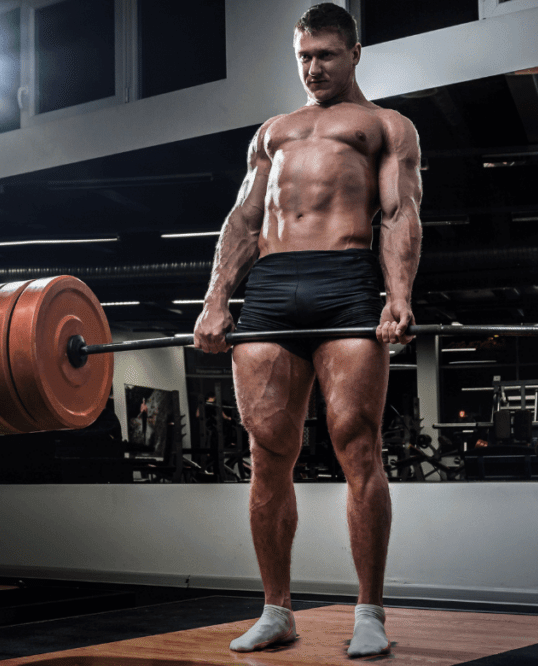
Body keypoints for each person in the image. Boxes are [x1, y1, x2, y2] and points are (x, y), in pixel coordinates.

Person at [193, 3, 422, 657]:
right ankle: (276, 610)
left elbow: (399, 210)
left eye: (325, 54)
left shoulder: (384, 126)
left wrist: (398, 297)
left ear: (355, 52)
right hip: (269, 291)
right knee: (267, 456)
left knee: (359, 448)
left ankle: (370, 613)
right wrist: (216, 300)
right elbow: (240, 220)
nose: (313, 67)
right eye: (304, 57)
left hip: (346, 283)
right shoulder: (273, 131)